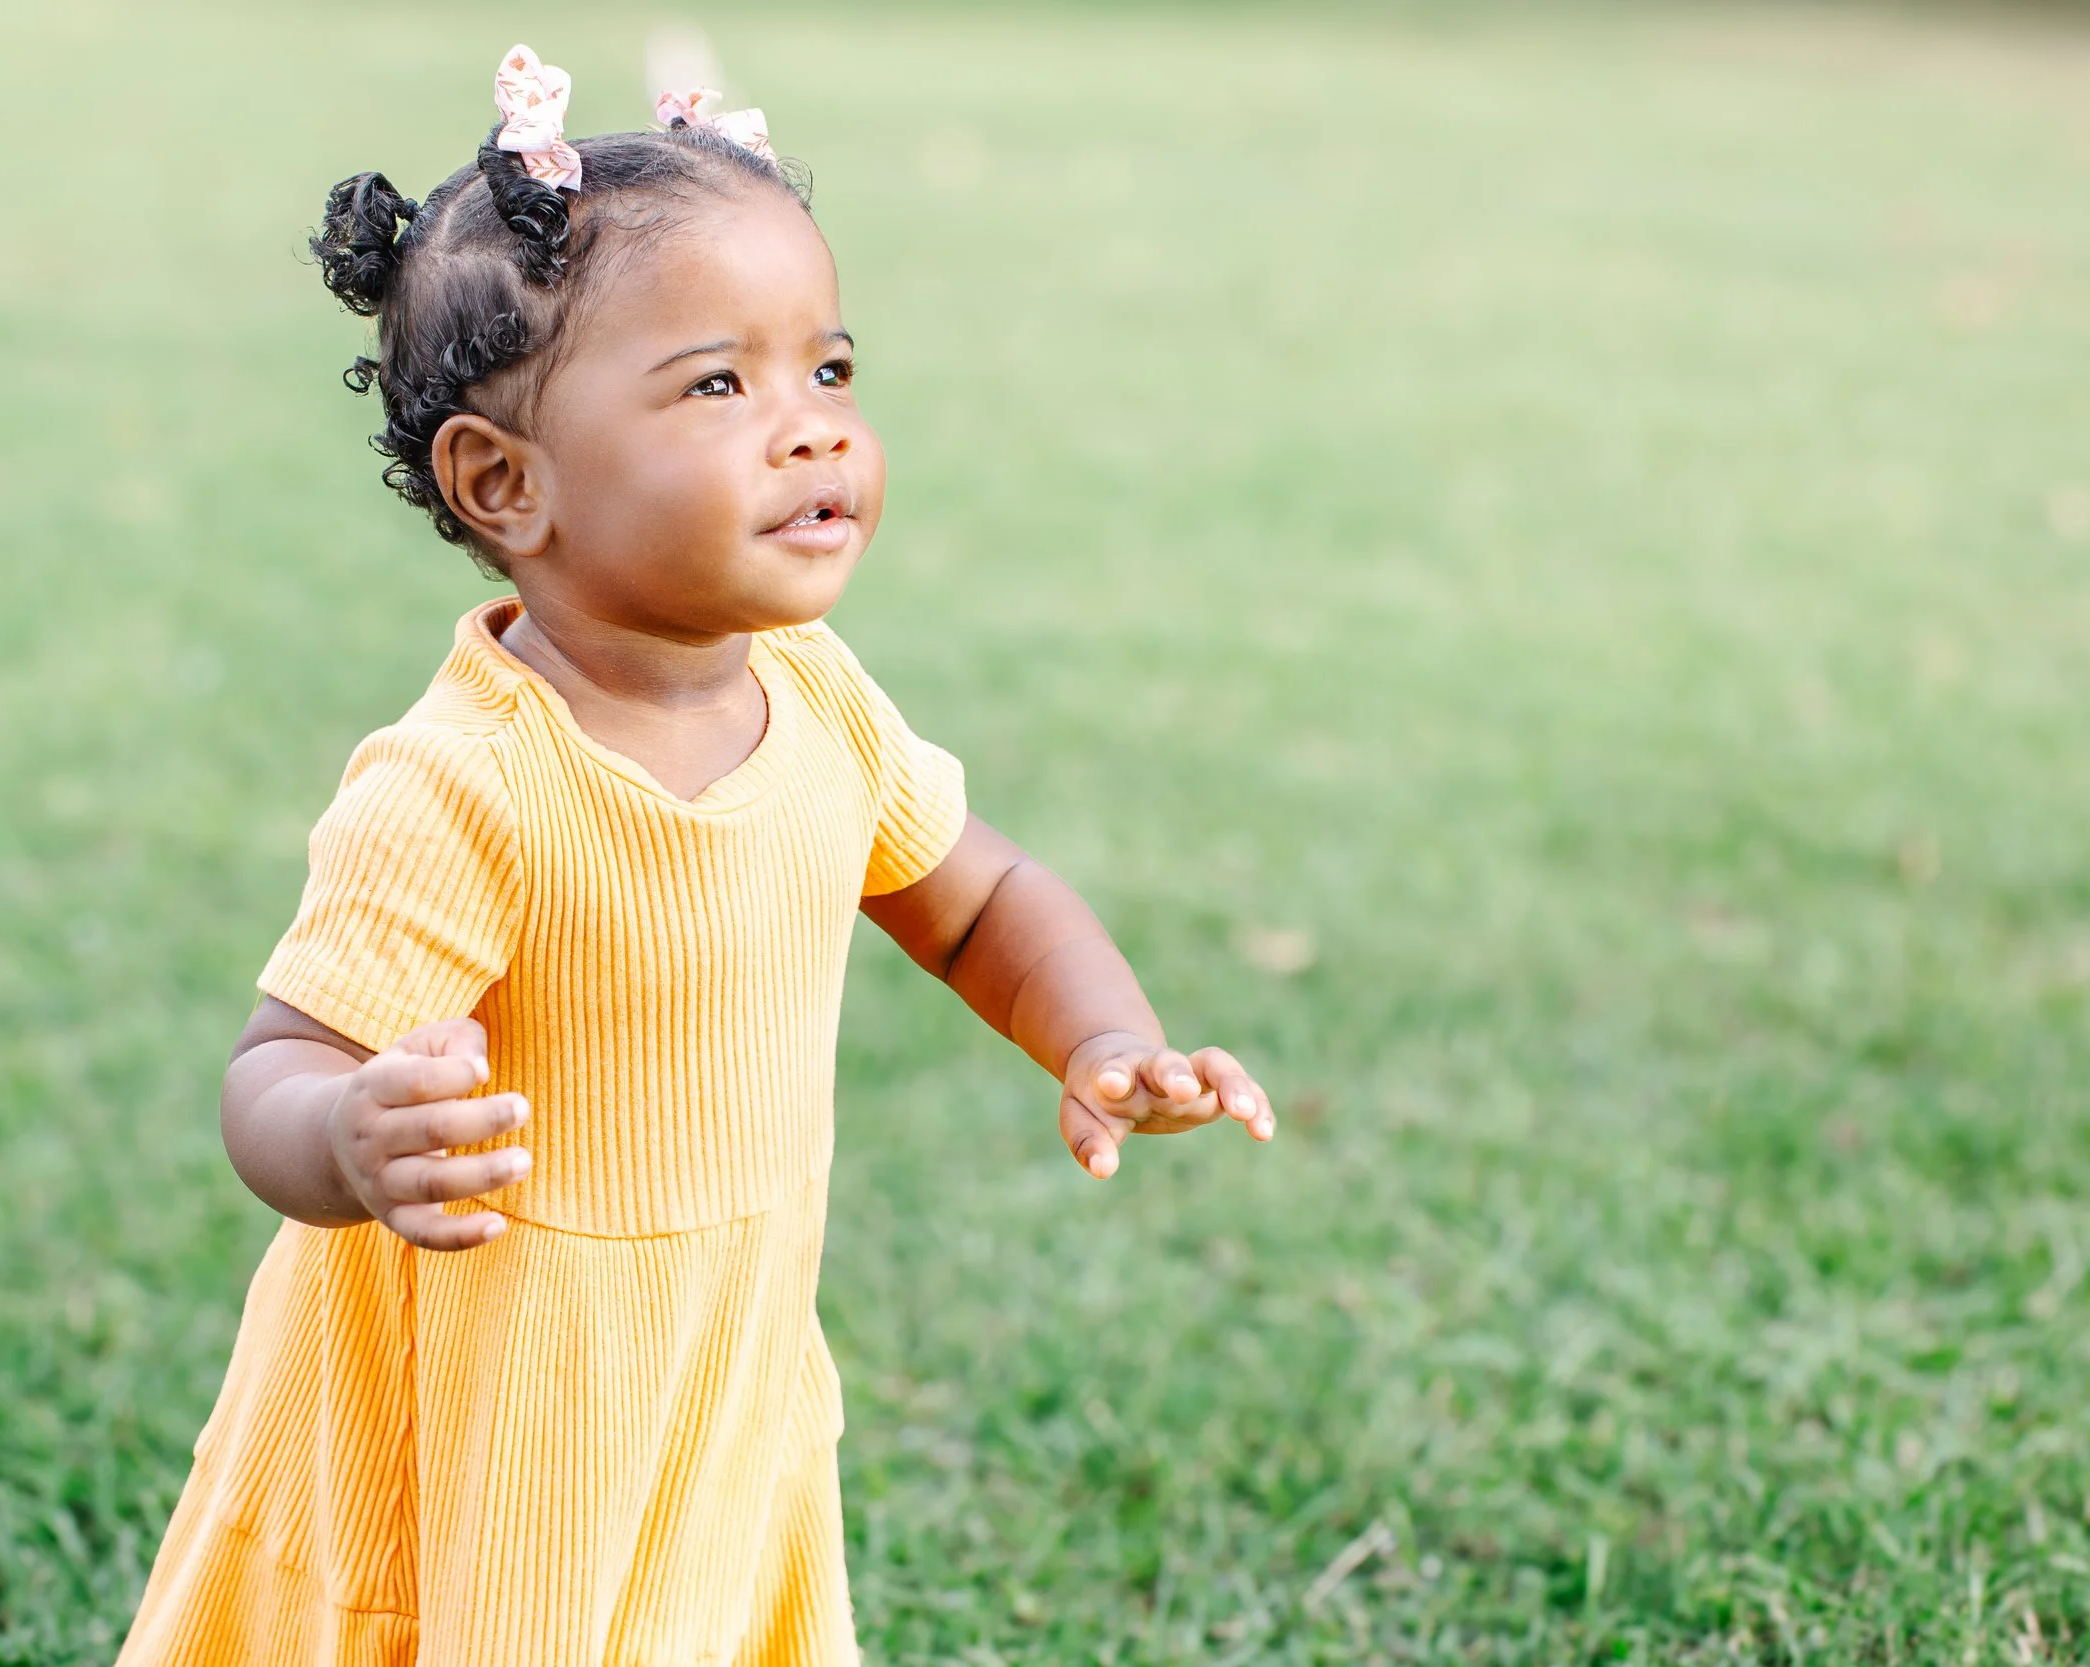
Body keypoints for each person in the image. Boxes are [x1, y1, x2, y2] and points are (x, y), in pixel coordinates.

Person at [115, 44, 1276, 1667]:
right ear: (505, 481)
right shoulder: (468, 783)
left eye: (831, 371)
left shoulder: (818, 698)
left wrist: (1101, 1036)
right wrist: (351, 1136)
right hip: (505, 1392)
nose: (812, 432)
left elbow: (976, 900)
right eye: (721, 386)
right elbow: (278, 1065)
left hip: (722, 1352)